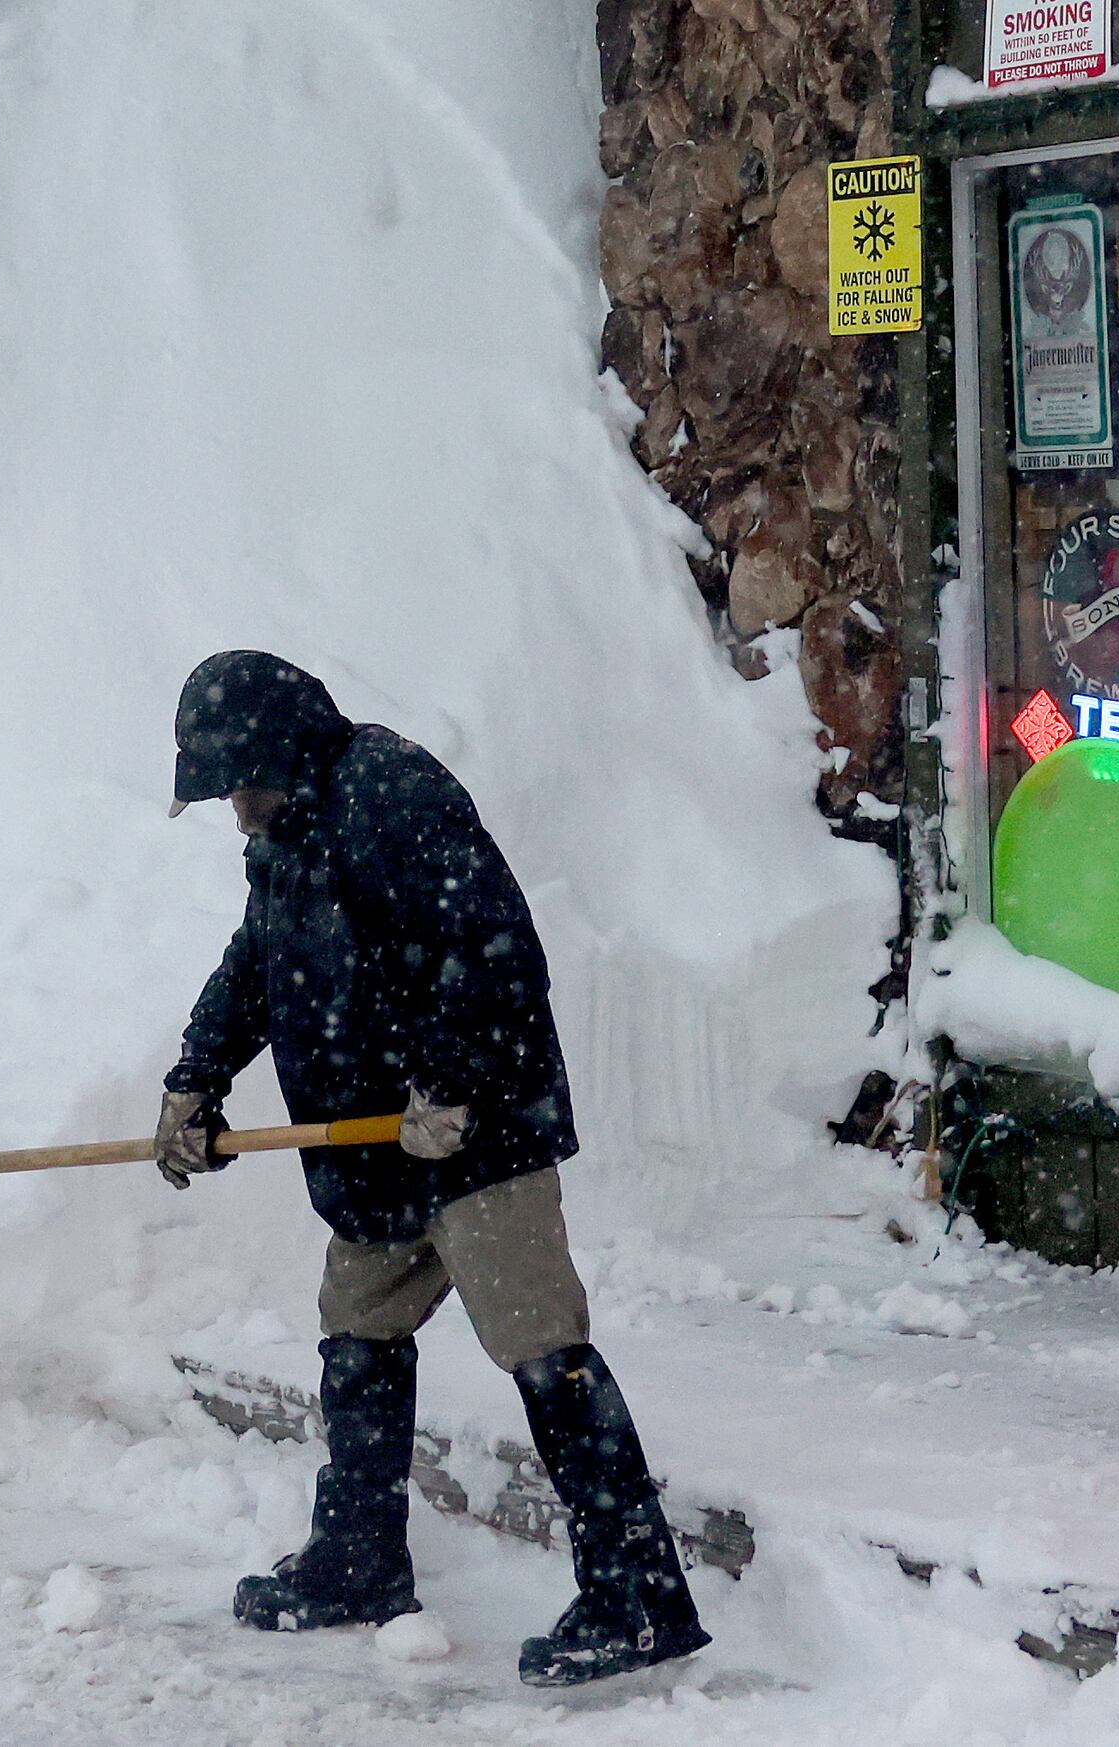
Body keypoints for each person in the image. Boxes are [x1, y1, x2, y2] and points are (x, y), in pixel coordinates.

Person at [154, 650, 706, 1690]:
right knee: (357, 1330)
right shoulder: (284, 832)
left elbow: (490, 947)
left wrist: (446, 1083)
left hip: (474, 1137)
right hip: (372, 1145)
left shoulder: (389, 795)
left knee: (540, 1346)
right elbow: (258, 960)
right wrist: (195, 1077)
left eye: (239, 785)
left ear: (280, 753)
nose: (235, 812)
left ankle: (637, 1598)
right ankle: (357, 1560)